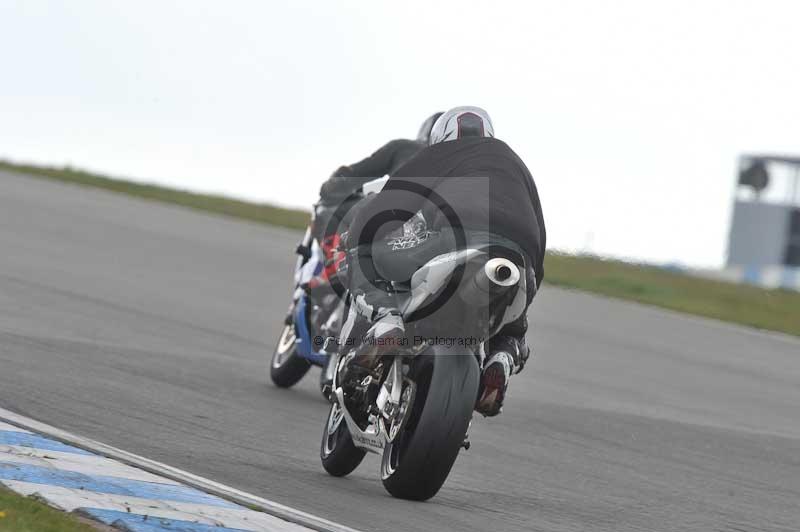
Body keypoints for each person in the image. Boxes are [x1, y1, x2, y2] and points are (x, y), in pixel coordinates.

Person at [339, 106, 546, 417]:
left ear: (441, 135)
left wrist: (357, 238)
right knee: (513, 327)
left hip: (457, 237)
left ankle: (388, 321)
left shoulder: (441, 154)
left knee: (366, 257)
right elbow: (539, 237)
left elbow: (391, 202)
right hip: (516, 258)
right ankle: (501, 357)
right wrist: (529, 286)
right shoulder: (516, 164)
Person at [317, 112, 443, 204]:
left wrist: (337, 180)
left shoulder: (403, 146)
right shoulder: (454, 160)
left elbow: (363, 169)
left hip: (392, 214)